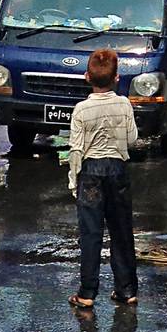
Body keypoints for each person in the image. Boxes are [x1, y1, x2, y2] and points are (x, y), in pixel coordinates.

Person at [67, 48, 140, 310]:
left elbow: (76, 149)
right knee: (121, 231)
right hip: (118, 170)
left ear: (87, 77)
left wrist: (74, 181)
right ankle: (126, 289)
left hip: (91, 173)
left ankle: (87, 293)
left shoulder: (81, 110)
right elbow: (132, 139)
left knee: (91, 233)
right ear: (117, 78)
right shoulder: (124, 104)